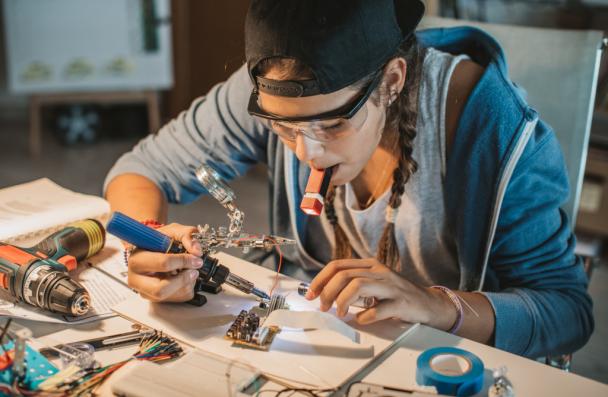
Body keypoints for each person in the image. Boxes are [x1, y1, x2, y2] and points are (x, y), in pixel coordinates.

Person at [104, 0, 593, 358]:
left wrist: (435, 305)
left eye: (333, 124)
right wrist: (149, 243)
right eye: (283, 129)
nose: (307, 151)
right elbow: (140, 171)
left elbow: (568, 312)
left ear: (393, 81)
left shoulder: (495, 128)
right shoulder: (276, 88)